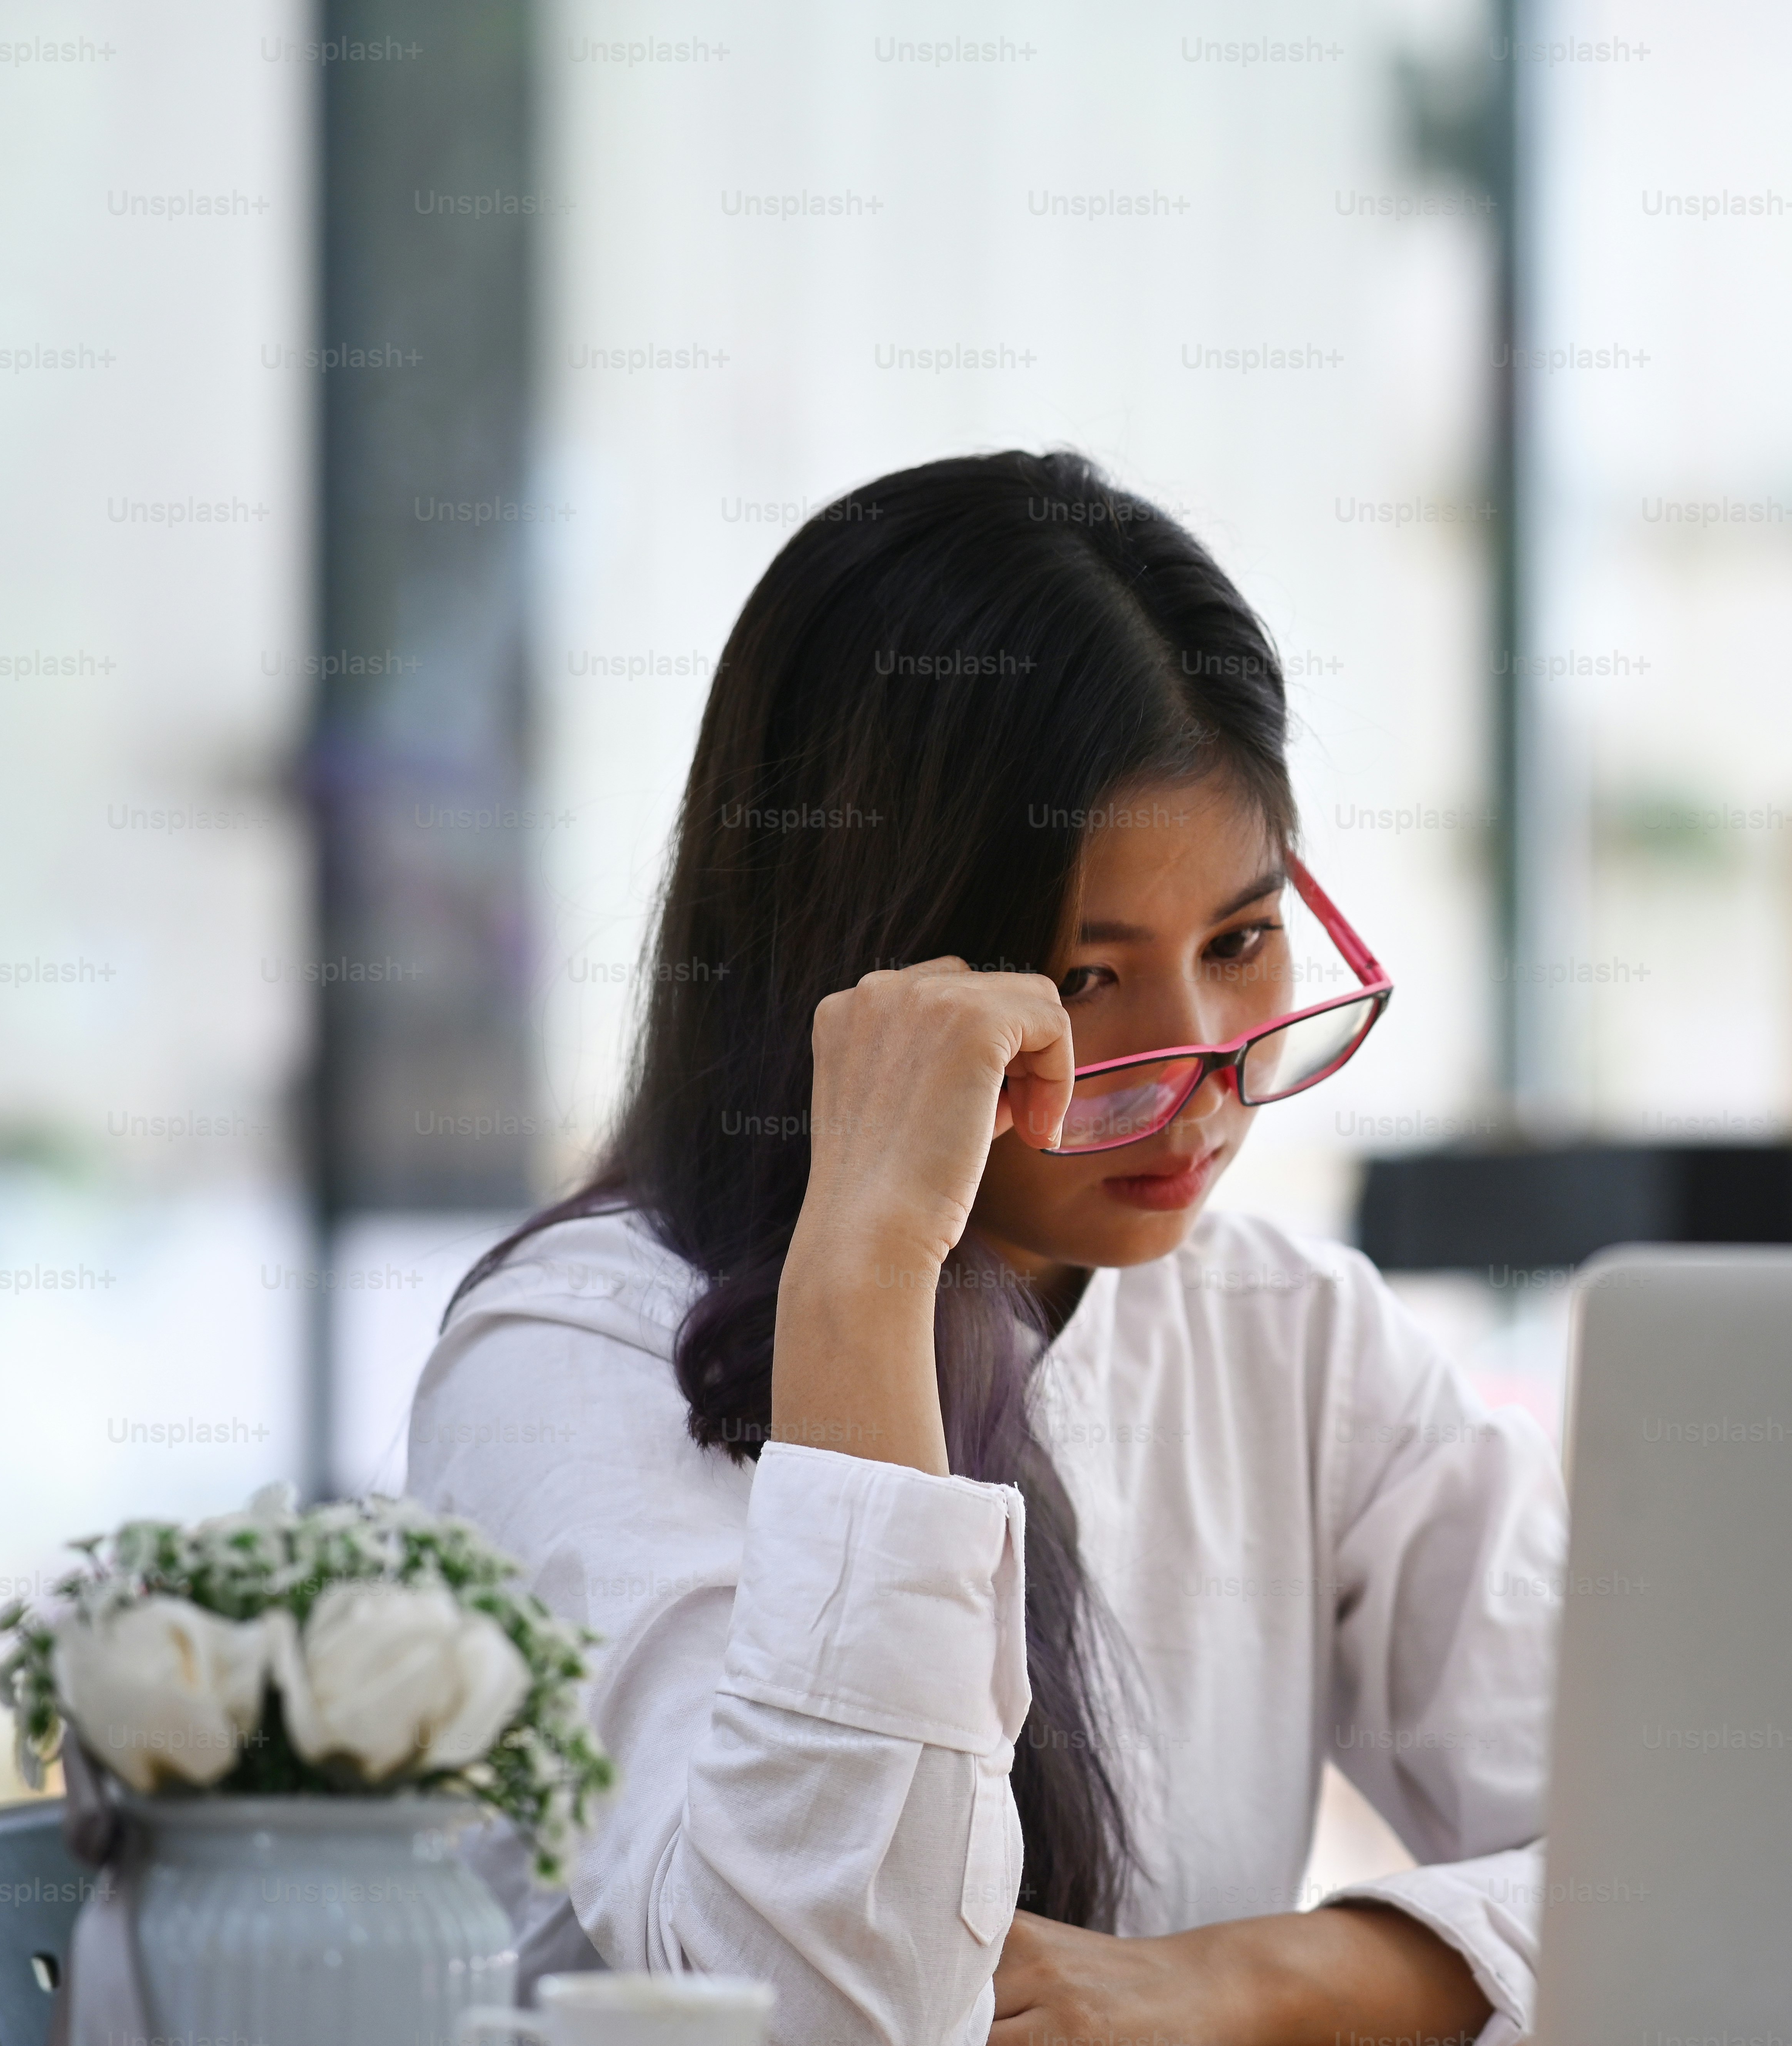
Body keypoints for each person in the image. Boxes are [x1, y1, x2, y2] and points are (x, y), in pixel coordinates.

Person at [408, 451, 1561, 2046]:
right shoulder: (569, 1362)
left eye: (1238, 941)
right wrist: (867, 1264)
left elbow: (1695, 1867)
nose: (1204, 1073)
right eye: (1086, 984)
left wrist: (1244, 1980)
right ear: (863, 974)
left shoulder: (1285, 1333)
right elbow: (834, 2010)